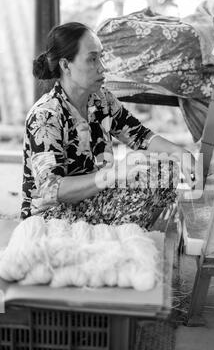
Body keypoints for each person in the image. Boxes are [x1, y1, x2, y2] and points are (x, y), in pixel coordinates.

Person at [21, 22, 196, 222]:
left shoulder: (101, 100)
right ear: (65, 65)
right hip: (53, 215)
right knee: (141, 188)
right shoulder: (45, 115)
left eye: (101, 57)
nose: (102, 67)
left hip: (95, 199)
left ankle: (125, 228)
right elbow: (52, 189)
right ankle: (119, 234)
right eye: (92, 59)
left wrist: (182, 154)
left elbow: (140, 136)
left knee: (166, 167)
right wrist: (115, 173)